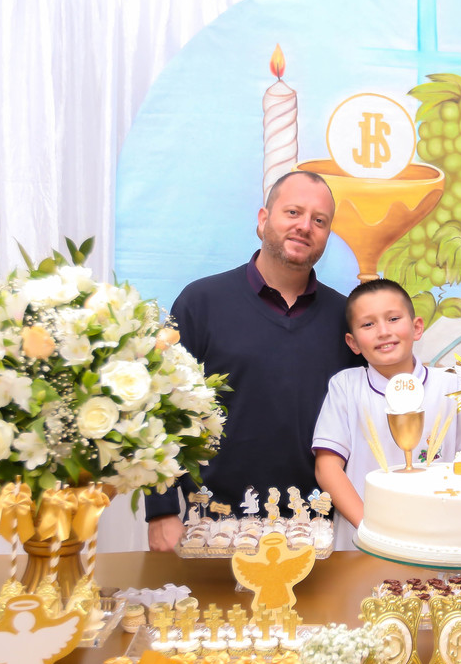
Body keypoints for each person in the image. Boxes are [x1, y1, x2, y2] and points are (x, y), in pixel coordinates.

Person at [145, 170, 360, 551]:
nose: (305, 226)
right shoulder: (201, 302)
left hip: (316, 533)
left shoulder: (345, 319)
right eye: (293, 212)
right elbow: (158, 405)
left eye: (319, 220)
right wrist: (160, 510)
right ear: (263, 220)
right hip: (211, 527)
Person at [311, 278, 461, 550]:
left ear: (417, 327)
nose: (383, 331)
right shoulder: (346, 386)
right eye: (368, 324)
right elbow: (327, 467)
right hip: (364, 542)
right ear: (353, 342)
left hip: (442, 541)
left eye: (393, 319)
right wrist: (371, 529)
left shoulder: (455, 385)